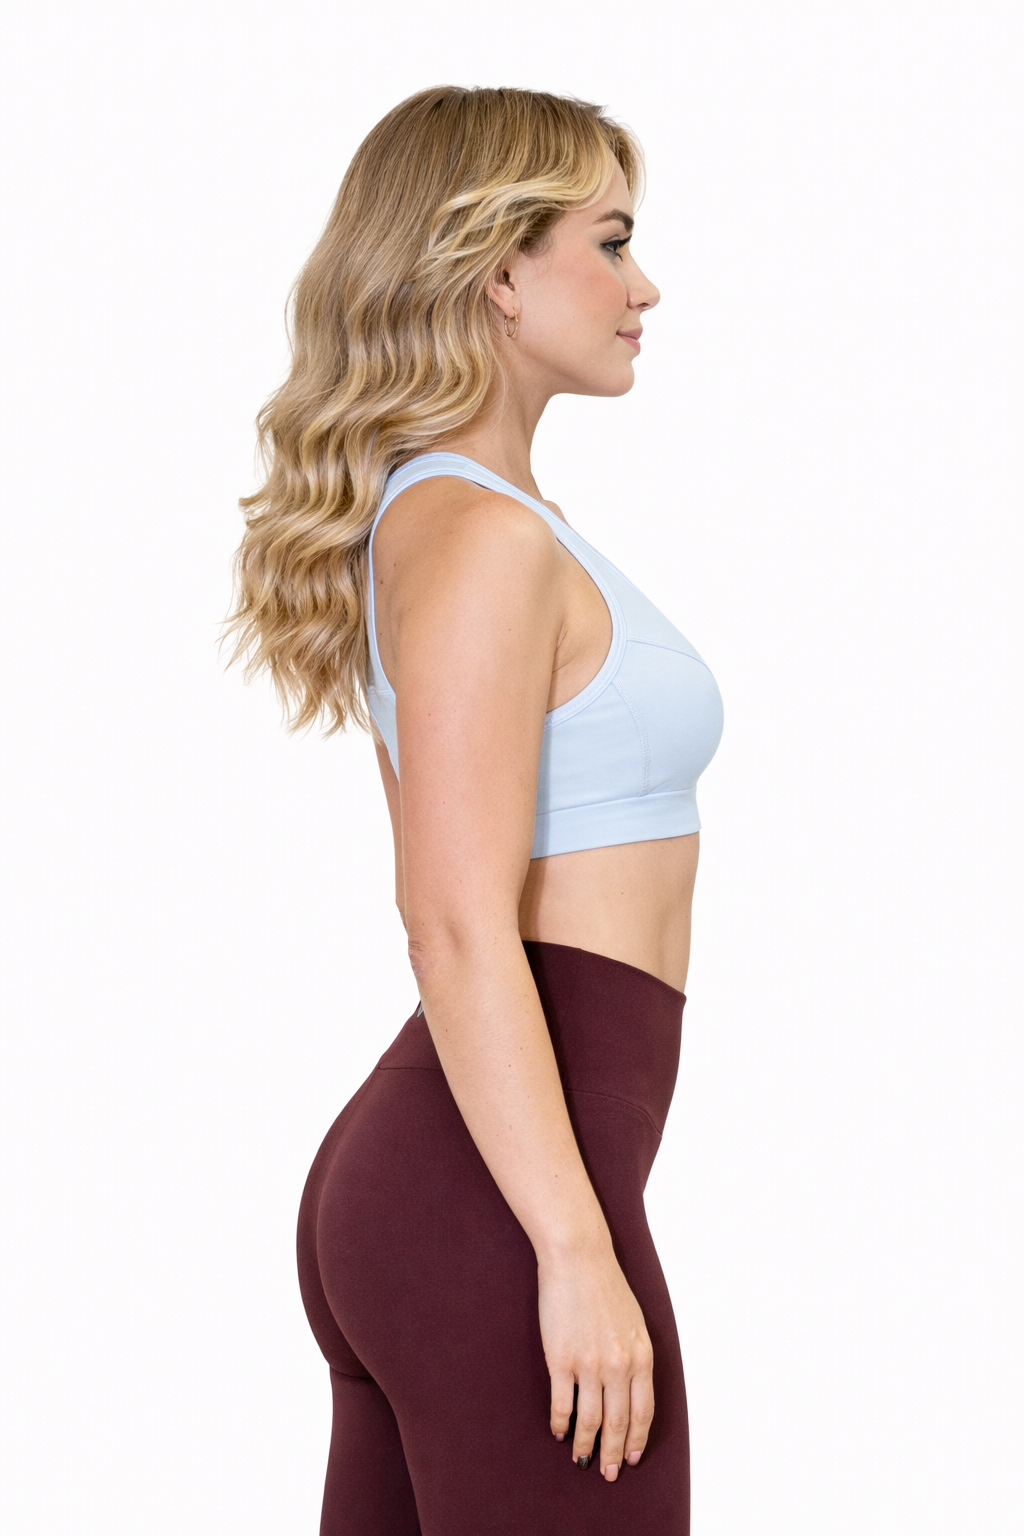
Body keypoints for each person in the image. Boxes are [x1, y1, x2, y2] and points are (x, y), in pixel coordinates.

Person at [229, 85, 723, 1536]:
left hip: (459, 1187)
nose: (645, 287)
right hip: (497, 1207)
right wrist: (570, 1246)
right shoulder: (478, 538)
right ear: (500, 272)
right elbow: (450, 918)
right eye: (612, 243)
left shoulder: (468, 522)